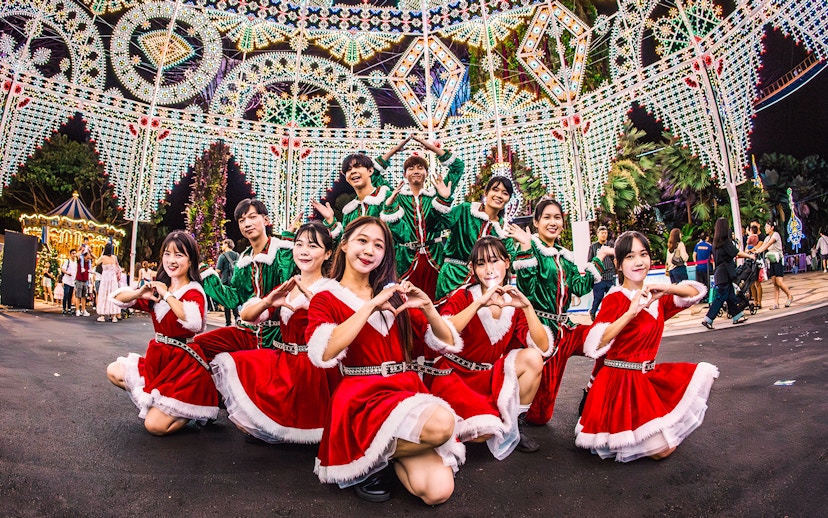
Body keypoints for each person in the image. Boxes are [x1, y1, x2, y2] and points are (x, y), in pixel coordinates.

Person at [306, 217, 465, 505]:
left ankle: (372, 457)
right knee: (443, 424)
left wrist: (429, 308)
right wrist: (368, 307)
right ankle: (369, 458)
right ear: (343, 245)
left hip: (404, 391)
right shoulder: (325, 297)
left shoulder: (393, 294)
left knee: (437, 491)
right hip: (360, 398)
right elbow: (324, 352)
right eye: (362, 241)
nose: (369, 250)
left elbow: (447, 343)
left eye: (378, 245)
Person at [576, 231, 717, 462]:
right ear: (618, 264)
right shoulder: (614, 298)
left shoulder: (654, 297)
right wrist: (630, 313)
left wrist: (667, 289)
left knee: (665, 443)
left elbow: (695, 293)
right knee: (662, 450)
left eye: (643, 254)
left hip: (646, 378)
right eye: (630, 257)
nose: (639, 262)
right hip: (618, 384)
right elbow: (595, 344)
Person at [211, 221, 341, 444]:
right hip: (284, 361)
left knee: (284, 434)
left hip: (311, 372)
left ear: (328, 253)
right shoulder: (289, 285)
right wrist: (268, 301)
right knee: (236, 375)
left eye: (313, 246)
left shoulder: (330, 289)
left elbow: (337, 337)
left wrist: (317, 308)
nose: (304, 251)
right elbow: (247, 315)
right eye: (299, 244)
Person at [426, 236, 553, 458]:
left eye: (494, 261)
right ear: (474, 269)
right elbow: (445, 333)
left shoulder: (514, 302)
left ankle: (515, 425)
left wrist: (527, 307)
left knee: (532, 357)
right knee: (479, 434)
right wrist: (478, 304)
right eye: (481, 263)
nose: (489, 269)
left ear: (506, 262)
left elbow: (543, 347)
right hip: (455, 375)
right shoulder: (464, 295)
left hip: (488, 376)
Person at [507, 198, 612, 425]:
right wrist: (525, 247)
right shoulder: (529, 246)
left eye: (557, 217)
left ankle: (591, 395)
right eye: (547, 217)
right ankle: (518, 411)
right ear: (536, 222)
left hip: (568, 329)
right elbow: (528, 291)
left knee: (607, 339)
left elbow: (579, 287)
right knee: (540, 417)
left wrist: (600, 257)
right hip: (544, 333)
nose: (553, 222)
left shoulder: (565, 255)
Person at [106, 231, 218, 435]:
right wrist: (139, 293)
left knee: (154, 426)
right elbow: (118, 299)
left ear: (190, 259)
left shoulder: (194, 290)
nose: (171, 260)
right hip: (159, 360)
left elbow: (193, 322)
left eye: (178, 255)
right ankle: (161, 404)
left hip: (184, 366)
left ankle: (188, 410)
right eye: (167, 254)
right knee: (114, 370)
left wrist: (167, 295)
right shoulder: (159, 286)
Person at [195, 199, 295, 361]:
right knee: (197, 345)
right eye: (242, 220)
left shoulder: (281, 251)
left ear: (266, 220)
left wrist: (288, 240)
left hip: (277, 336)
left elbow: (287, 276)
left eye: (252, 217)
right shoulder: (243, 260)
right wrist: (207, 274)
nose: (247, 223)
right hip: (246, 331)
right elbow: (233, 298)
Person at [381, 134, 466, 299]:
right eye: (411, 168)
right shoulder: (396, 196)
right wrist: (395, 150)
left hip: (434, 256)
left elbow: (458, 167)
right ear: (405, 174)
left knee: (437, 300)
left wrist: (432, 149)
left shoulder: (435, 194)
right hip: (405, 259)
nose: (416, 171)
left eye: (420, 167)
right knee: (406, 303)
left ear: (427, 173)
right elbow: (374, 173)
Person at [434, 176, 516, 300]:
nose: (499, 195)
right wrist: (444, 199)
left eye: (505, 193)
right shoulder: (466, 210)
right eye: (495, 190)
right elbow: (441, 223)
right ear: (486, 192)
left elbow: (511, 261)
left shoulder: (504, 231)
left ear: (508, 199)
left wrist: (525, 243)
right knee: (448, 317)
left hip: (484, 284)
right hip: (452, 277)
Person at [701, 218, 755, 329]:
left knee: (730, 296)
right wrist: (750, 255)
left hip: (720, 274)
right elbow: (736, 252)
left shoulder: (715, 243)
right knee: (720, 297)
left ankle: (737, 316)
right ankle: (708, 319)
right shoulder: (725, 242)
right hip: (725, 274)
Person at [752, 221, 794, 309]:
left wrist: (759, 251)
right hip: (771, 261)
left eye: (767, 227)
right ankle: (776, 303)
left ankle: (789, 295)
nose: (765, 228)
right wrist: (754, 250)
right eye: (765, 227)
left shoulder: (775, 235)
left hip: (778, 260)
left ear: (772, 228)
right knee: (775, 283)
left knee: (779, 282)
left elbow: (768, 244)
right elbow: (763, 245)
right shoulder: (767, 238)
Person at [588, 225, 616, 320]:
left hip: (610, 276)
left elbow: (614, 260)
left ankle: (611, 316)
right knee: (598, 297)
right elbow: (589, 261)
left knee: (612, 298)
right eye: (602, 233)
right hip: (599, 278)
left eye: (605, 233)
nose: (604, 235)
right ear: (598, 234)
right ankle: (592, 312)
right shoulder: (593, 247)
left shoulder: (611, 246)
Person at [216, 238, 240, 326]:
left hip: (225, 281)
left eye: (223, 244)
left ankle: (228, 322)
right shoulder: (237, 255)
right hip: (235, 281)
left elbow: (218, 270)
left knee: (226, 301)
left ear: (227, 244)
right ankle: (237, 317)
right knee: (234, 299)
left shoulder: (222, 256)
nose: (222, 246)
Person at [94, 242, 121, 322]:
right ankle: (114, 316)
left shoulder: (103, 258)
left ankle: (102, 315)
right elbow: (117, 266)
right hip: (112, 279)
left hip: (105, 278)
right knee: (113, 295)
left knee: (103, 295)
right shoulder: (114, 257)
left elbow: (96, 263)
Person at [745, 224, 763, 309]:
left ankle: (759, 302)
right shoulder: (752, 238)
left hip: (756, 261)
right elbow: (746, 249)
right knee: (751, 283)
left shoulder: (756, 237)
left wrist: (750, 250)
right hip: (749, 261)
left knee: (757, 283)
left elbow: (756, 248)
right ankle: (755, 301)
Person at [75, 248, 93, 317]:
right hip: (79, 279)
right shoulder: (80, 259)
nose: (90, 255)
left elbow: (94, 257)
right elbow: (77, 255)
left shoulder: (88, 262)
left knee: (84, 296)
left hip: (85, 280)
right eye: (88, 254)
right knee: (78, 295)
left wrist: (90, 251)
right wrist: (82, 250)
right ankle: (77, 310)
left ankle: (83, 309)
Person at [60, 249, 78, 315]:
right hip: (67, 280)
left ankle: (69, 308)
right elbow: (62, 269)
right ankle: (64, 308)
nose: (74, 255)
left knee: (70, 295)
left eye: (75, 253)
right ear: (70, 254)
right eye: (73, 253)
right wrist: (67, 273)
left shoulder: (76, 263)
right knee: (66, 294)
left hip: (72, 281)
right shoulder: (67, 261)